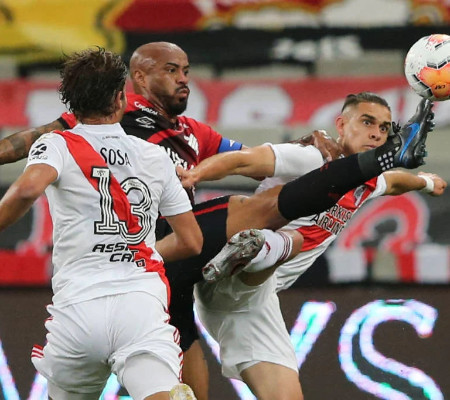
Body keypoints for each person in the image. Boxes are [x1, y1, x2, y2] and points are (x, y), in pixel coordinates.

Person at [0, 46, 436, 397]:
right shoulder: (115, 118)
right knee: (255, 213)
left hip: (159, 277)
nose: (183, 78)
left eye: (186, 70)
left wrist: (424, 180)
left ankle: (258, 253)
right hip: (154, 262)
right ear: (136, 81)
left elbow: (243, 157)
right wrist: (193, 183)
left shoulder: (191, 132)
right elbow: (29, 143)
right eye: (171, 70)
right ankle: (263, 249)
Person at [0, 42, 245, 400]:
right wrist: (141, 249)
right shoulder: (155, 156)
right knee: (159, 390)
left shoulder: (57, 144)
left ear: (70, 104)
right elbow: (191, 241)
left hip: (78, 307)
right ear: (120, 98)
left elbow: (26, 191)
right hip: (139, 303)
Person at [178, 92, 446, 400]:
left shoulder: (368, 183)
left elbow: (395, 181)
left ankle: (255, 249)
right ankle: (255, 247)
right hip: (235, 272)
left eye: (384, 128)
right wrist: (196, 174)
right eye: (367, 122)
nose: (376, 133)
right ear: (341, 125)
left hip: (254, 300)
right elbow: (244, 160)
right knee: (293, 240)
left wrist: (426, 182)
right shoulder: (312, 157)